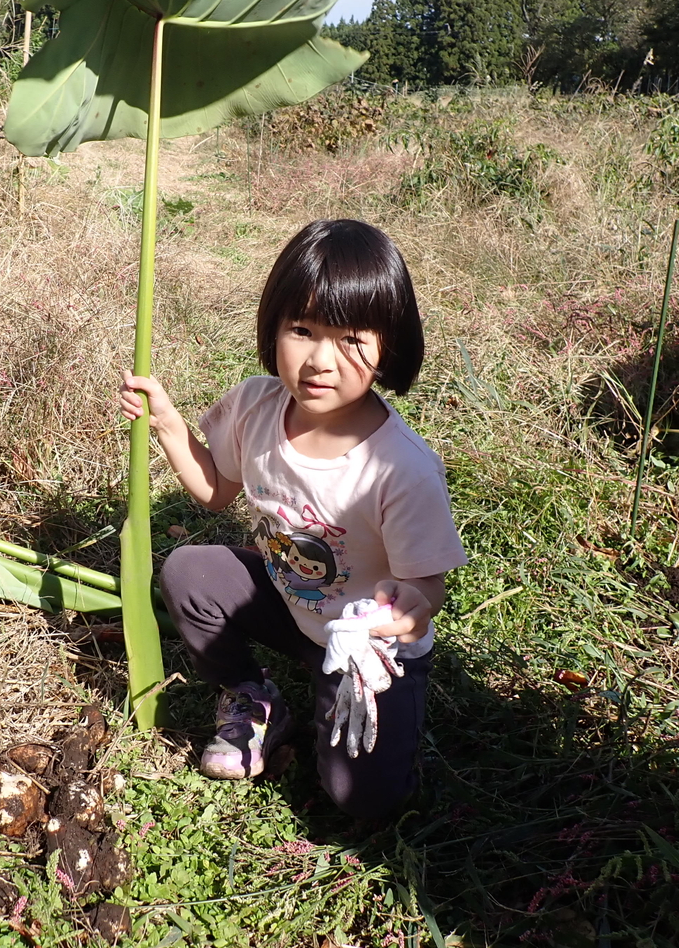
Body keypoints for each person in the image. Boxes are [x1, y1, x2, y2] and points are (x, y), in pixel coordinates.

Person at [117, 218, 466, 818]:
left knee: (362, 803)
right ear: (273, 326)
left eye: (352, 338)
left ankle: (379, 744)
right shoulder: (256, 405)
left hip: (366, 649)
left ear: (389, 348)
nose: (319, 360)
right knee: (188, 574)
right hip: (292, 605)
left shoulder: (400, 470)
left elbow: (427, 588)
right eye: (302, 330)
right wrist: (169, 423)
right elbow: (215, 491)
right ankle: (256, 696)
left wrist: (403, 607)